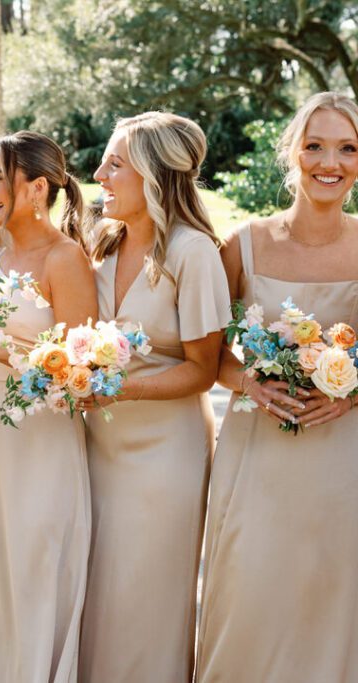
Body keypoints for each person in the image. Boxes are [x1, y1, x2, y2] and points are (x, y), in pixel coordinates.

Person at [196, 91, 358, 682]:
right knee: (250, 593)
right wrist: (249, 383)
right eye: (314, 145)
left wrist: (351, 391)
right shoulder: (244, 244)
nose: (329, 162)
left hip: (343, 460)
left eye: (347, 148)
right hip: (256, 455)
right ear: (291, 152)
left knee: (331, 597)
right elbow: (204, 354)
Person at [78, 112, 231, 682]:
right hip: (97, 446)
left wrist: (122, 388)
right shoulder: (103, 245)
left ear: (152, 173)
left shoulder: (193, 254)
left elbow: (204, 370)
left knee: (145, 598)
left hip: (166, 453)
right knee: (98, 595)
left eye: (114, 164)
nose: (100, 174)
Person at [0, 131, 95, 682]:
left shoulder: (65, 258)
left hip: (39, 443)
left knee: (30, 574)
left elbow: (80, 372)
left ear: (37, 188)